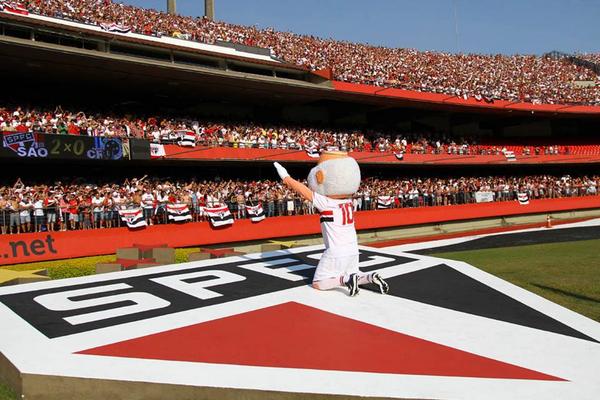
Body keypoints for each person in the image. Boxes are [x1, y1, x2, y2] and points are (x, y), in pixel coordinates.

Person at [273, 152, 389, 297]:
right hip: (353, 248)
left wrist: (286, 177)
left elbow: (302, 190)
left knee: (318, 282)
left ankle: (345, 280)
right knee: (355, 272)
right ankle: (371, 277)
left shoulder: (326, 203)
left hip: (336, 250)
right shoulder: (349, 202)